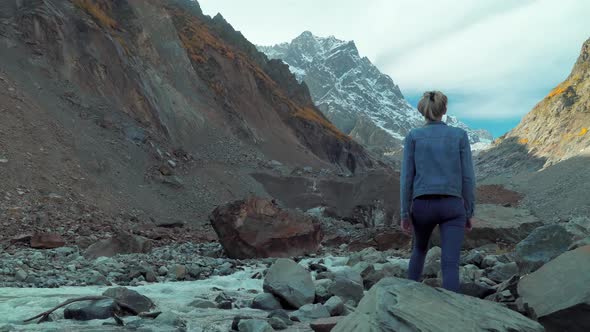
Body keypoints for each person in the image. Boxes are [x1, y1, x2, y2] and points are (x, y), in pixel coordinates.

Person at [400, 90, 475, 292]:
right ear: (444, 110)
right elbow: (467, 177)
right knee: (450, 263)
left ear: (423, 111)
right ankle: (451, 314)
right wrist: (468, 211)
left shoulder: (413, 136)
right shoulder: (459, 136)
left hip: (422, 205)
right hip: (452, 205)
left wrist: (405, 213)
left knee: (419, 250)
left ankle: (407, 299)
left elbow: (407, 177)